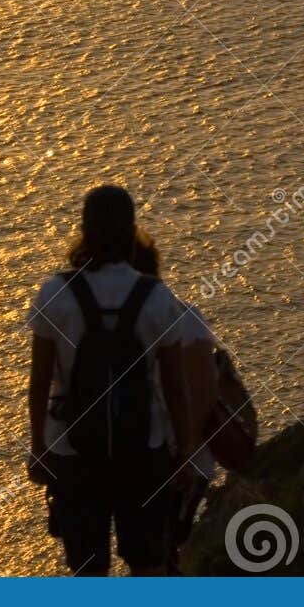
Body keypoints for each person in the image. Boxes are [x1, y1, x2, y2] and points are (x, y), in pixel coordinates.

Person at [26, 186, 194, 575]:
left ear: (84, 231)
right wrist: (184, 453)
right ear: (132, 230)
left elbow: (39, 383)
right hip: (144, 451)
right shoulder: (156, 297)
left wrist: (38, 447)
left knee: (87, 569)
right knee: (148, 565)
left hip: (75, 452)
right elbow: (175, 388)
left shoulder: (56, 295)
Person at [130, 232, 220, 573]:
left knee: (157, 554)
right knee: (157, 554)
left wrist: (183, 455)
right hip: (170, 460)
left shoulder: (177, 320)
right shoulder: (187, 316)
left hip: (176, 461)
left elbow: (202, 394)